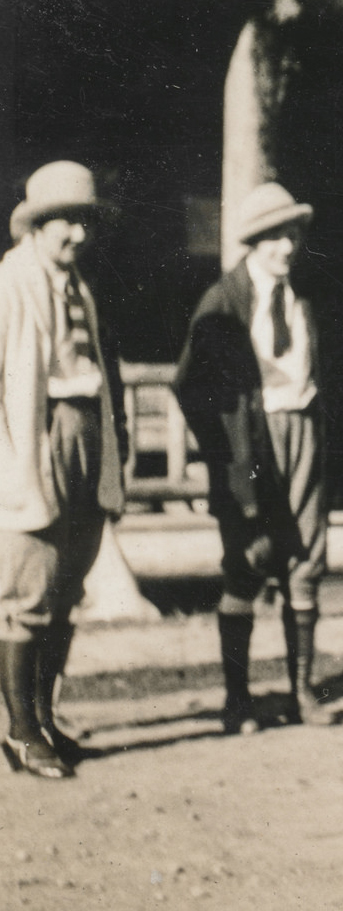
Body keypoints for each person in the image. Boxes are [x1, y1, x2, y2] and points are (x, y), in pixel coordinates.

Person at [174, 182, 334, 734]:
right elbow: (190, 386)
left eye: (292, 234)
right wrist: (227, 450)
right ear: (252, 242)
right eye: (273, 237)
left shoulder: (307, 293)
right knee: (249, 560)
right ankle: (237, 701)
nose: (286, 247)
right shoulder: (224, 300)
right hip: (251, 443)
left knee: (307, 558)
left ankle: (302, 691)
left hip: (303, 430)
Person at [0, 161, 127, 778]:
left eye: (85, 222)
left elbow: (100, 377)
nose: (78, 233)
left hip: (83, 436)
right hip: (33, 439)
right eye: (66, 222)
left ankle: (46, 714)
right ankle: (20, 729)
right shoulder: (11, 283)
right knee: (29, 587)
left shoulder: (80, 289)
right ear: (37, 225)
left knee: (68, 586)